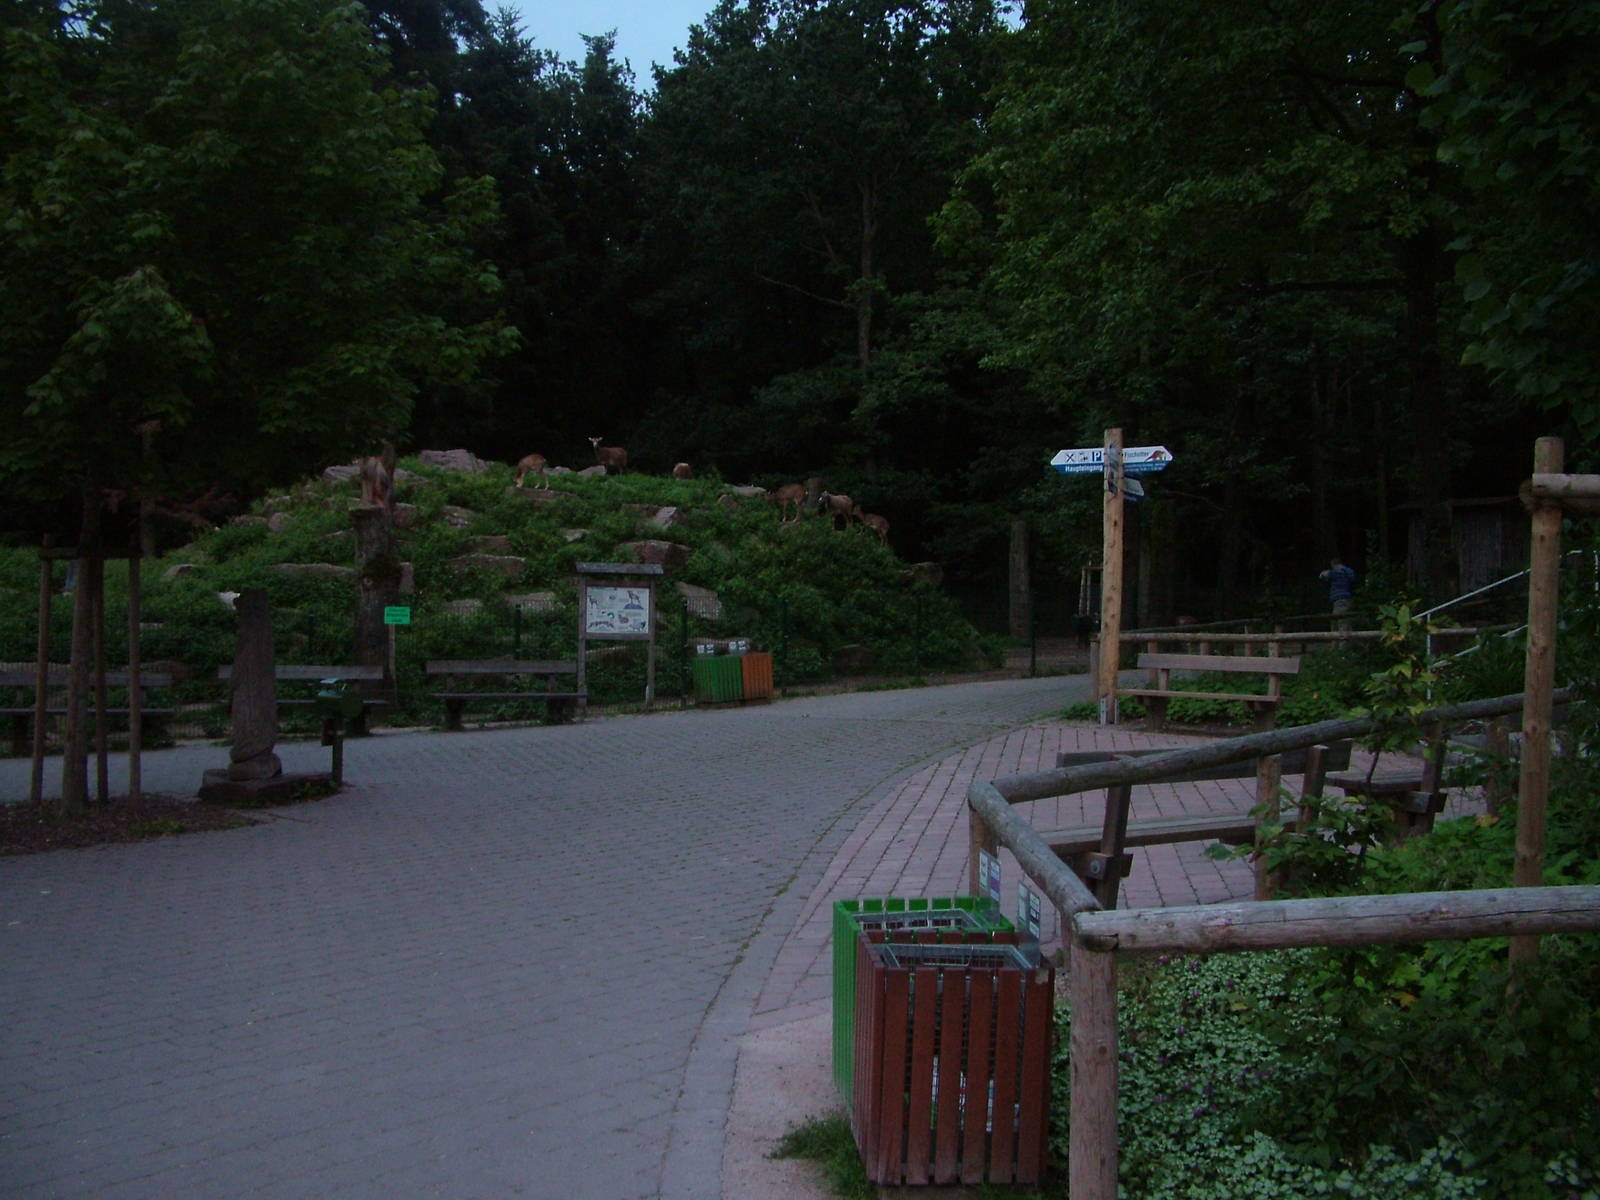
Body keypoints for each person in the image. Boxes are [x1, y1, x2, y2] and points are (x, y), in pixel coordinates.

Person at [1319, 557, 1357, 634]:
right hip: (1347, 599)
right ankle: (1342, 644)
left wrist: (1324, 573)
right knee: (1343, 621)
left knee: (1341, 623)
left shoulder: (1336, 572)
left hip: (1340, 600)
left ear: (1333, 565)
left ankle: (1342, 645)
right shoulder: (1349, 571)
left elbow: (1323, 575)